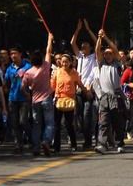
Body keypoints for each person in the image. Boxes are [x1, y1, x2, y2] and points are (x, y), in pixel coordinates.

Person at [22, 33, 55, 157]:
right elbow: (49, 50)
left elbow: (23, 88)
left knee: (37, 124)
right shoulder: (46, 67)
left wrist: (28, 95)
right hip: (46, 98)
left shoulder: (28, 73)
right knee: (50, 123)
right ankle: (46, 141)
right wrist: (49, 38)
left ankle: (36, 147)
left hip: (35, 101)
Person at [94, 29, 125, 154]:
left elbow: (116, 50)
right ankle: (102, 144)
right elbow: (97, 51)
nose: (107, 55)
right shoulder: (101, 64)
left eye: (109, 54)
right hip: (104, 97)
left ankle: (119, 143)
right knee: (103, 122)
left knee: (117, 121)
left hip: (116, 95)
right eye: (105, 54)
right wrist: (99, 39)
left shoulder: (117, 64)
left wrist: (106, 37)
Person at [71, 19, 98, 149]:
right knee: (79, 116)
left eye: (86, 45)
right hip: (78, 90)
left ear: (90, 48)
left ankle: (88, 141)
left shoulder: (94, 57)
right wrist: (77, 29)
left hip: (89, 89)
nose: (83, 47)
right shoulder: (80, 56)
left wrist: (88, 29)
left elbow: (98, 42)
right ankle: (85, 138)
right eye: (82, 45)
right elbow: (72, 43)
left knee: (87, 115)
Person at [51, 54, 85, 154]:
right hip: (59, 100)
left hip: (69, 101)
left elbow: (79, 84)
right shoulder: (57, 72)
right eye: (63, 61)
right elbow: (52, 86)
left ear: (70, 62)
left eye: (66, 61)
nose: (64, 63)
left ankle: (74, 144)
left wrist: (86, 91)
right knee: (57, 125)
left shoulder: (74, 73)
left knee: (69, 124)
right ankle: (57, 147)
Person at [5, 47, 32, 154]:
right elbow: (6, 82)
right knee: (15, 123)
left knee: (23, 121)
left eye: (15, 53)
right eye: (11, 54)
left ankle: (32, 139)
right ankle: (18, 144)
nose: (13, 56)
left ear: (20, 54)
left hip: (24, 98)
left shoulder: (27, 66)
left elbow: (33, 80)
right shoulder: (9, 68)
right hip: (12, 98)